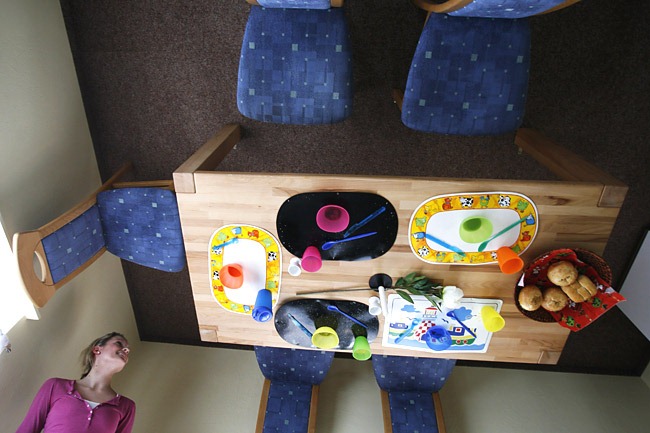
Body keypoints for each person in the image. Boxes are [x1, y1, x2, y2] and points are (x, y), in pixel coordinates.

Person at [16, 332, 136, 433]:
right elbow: (27, 429)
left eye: (128, 350)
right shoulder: (55, 386)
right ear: (97, 349)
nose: (126, 350)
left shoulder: (126, 406)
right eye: (119, 343)